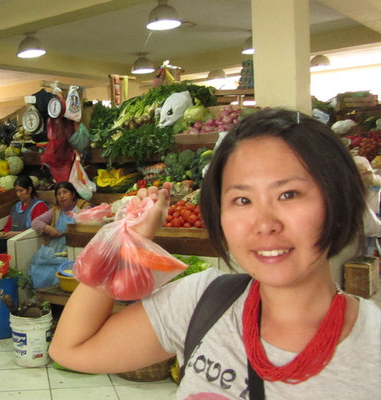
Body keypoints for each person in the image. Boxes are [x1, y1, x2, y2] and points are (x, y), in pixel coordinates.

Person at [49, 109, 380, 398]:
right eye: (242, 200)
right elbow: (70, 349)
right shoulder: (200, 303)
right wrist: (128, 241)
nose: (264, 224)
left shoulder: (373, 349)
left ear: (336, 198)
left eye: (289, 194)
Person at [28, 181, 91, 289]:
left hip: (76, 249)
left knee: (64, 267)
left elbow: (91, 227)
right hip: (56, 249)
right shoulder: (56, 210)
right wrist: (48, 228)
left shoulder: (84, 207)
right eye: (58, 194)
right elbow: (35, 222)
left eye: (65, 192)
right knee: (38, 260)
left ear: (73, 194)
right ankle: (42, 294)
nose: (62, 196)